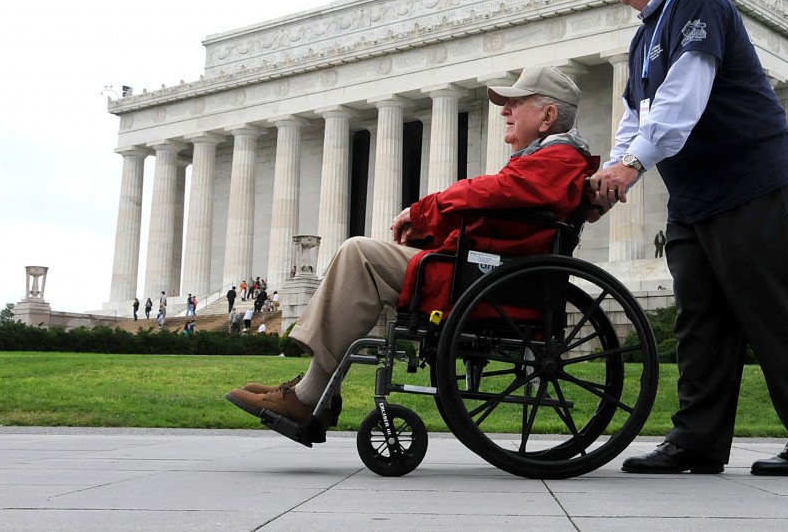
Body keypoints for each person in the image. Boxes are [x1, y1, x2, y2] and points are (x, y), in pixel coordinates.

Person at [589, 0, 788, 477]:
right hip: (693, 195)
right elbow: (635, 116)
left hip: (748, 181)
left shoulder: (698, 2)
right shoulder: (642, 37)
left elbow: (685, 94)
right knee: (700, 319)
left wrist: (632, 167)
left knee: (770, 310)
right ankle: (697, 442)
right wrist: (613, 168)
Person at [226, 65, 595, 426]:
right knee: (360, 255)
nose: (504, 110)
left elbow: (490, 194)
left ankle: (309, 397)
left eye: (517, 103)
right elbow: (493, 218)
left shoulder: (557, 159)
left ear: (547, 115)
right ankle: (315, 390)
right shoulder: (546, 159)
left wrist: (423, 210)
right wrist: (426, 229)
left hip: (482, 281)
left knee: (359, 254)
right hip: (482, 273)